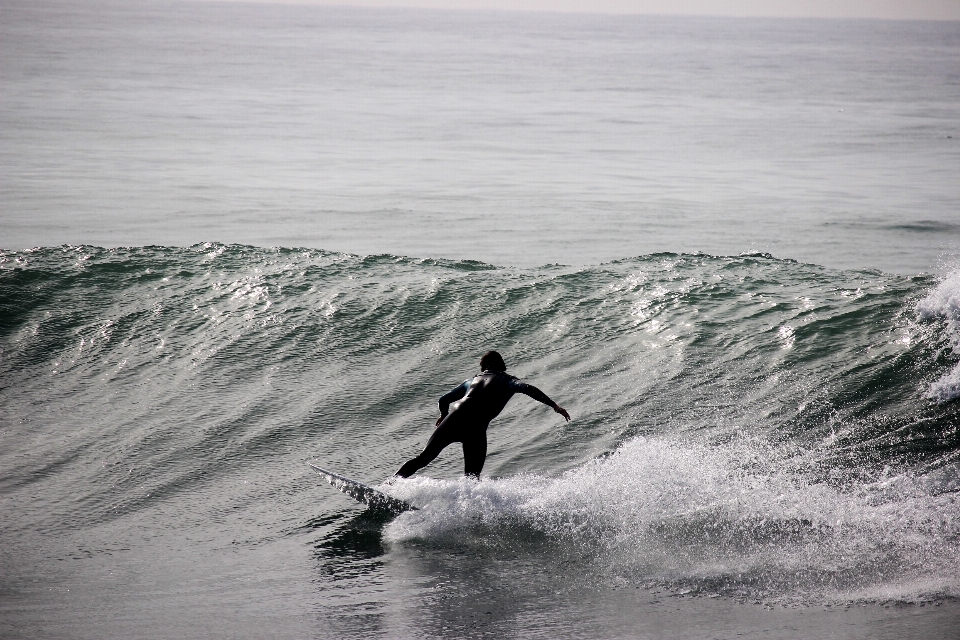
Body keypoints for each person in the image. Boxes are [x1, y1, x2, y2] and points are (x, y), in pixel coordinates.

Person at [395, 350, 570, 479]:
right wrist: (554, 405)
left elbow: (443, 400)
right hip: (476, 428)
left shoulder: (472, 380)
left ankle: (390, 484)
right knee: (472, 477)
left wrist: (443, 415)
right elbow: (528, 389)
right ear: (501, 365)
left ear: (484, 366)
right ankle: (467, 513)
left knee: (423, 458)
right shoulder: (508, 380)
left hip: (455, 419)